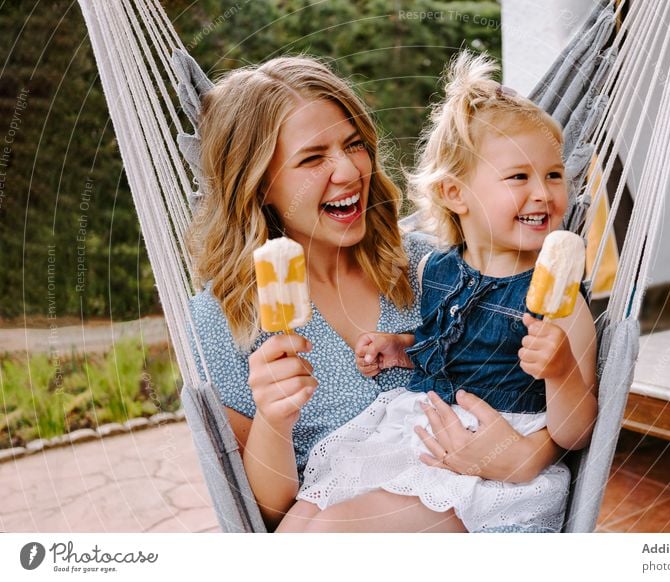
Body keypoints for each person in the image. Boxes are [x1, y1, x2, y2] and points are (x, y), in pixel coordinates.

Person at [187, 54, 564, 532]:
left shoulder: (428, 267)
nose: (348, 171)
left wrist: (531, 452)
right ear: (260, 184)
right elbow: (268, 515)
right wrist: (273, 420)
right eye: (312, 157)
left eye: (354, 144)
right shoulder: (224, 319)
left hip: (474, 504)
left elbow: (543, 376)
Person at [281, 52, 598, 533]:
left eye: (554, 175)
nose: (543, 193)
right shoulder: (435, 269)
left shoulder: (562, 303)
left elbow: (576, 434)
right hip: (418, 433)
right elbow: (445, 348)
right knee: (304, 517)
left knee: (333, 530)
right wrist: (402, 348)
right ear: (454, 194)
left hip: (489, 470)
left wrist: (560, 371)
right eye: (519, 177)